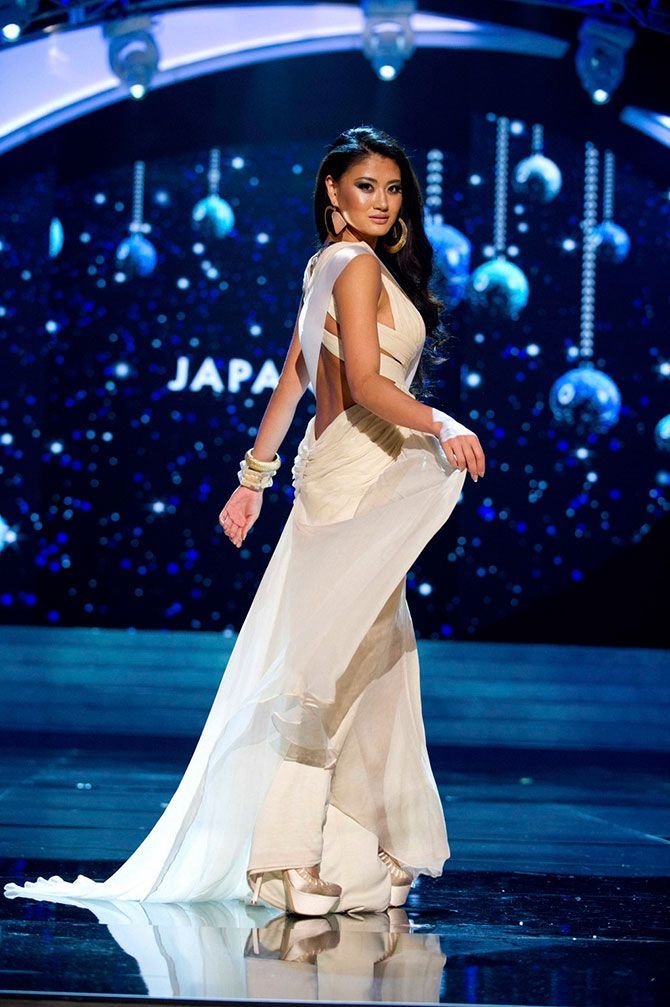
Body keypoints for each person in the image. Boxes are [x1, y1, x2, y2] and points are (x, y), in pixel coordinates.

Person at [4, 125, 484, 917]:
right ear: (332, 190)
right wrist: (442, 421)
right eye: (366, 185)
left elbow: (294, 377)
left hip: (349, 471)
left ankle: (368, 854)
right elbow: (362, 382)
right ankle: (288, 861)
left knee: (374, 655)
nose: (383, 201)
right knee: (330, 668)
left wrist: (253, 480)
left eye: (394, 189)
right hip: (359, 472)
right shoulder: (355, 264)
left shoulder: (328, 266)